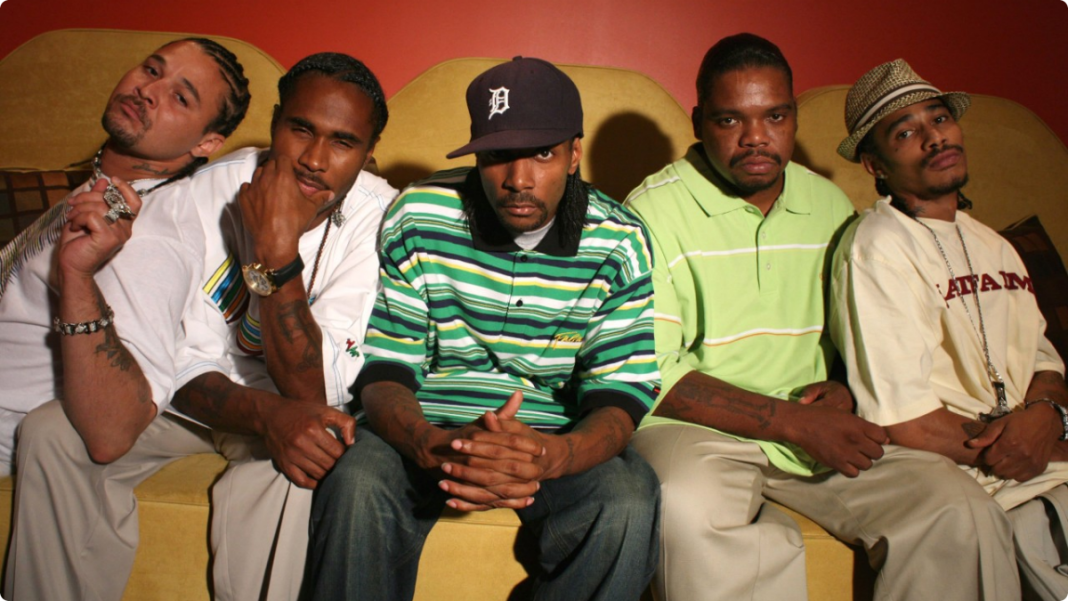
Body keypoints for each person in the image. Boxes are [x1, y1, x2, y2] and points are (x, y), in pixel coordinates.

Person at [625, 34, 1015, 601]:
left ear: (793, 118)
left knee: (957, 509)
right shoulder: (650, 210)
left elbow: (863, 335)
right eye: (730, 120)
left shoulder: (830, 205)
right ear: (698, 122)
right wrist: (790, 421)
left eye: (775, 116)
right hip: (698, 433)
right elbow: (648, 369)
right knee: (686, 506)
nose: (756, 137)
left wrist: (845, 388)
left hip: (821, 432)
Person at [4, 52, 395, 601]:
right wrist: (267, 414)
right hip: (189, 401)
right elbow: (174, 357)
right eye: (300, 129)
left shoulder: (382, 220)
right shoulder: (194, 197)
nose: (313, 159)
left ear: (368, 154)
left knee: (309, 446)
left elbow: (315, 391)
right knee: (54, 430)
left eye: (343, 142)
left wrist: (276, 253)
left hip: (291, 405)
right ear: (275, 123)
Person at [303, 56, 660, 601]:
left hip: (552, 433)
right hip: (426, 421)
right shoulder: (420, 213)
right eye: (497, 156)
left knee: (629, 498)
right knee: (355, 481)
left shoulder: (620, 239)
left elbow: (619, 394)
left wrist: (553, 456)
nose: (518, 180)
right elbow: (385, 370)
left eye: (542, 153)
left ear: (573, 155)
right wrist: (428, 443)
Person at [830, 58, 1068, 601]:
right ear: (875, 164)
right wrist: (1037, 449)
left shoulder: (994, 244)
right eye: (906, 132)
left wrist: (1047, 417)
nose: (934, 137)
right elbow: (906, 421)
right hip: (984, 480)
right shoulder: (878, 248)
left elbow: (1045, 364)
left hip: (1038, 459)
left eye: (939, 119)